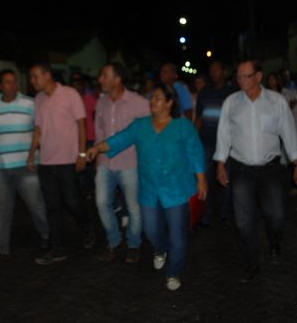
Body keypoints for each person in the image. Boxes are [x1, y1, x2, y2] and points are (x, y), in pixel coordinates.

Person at [86, 83, 207, 291]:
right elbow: (120, 139)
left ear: (170, 103)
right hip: (149, 188)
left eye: (158, 98)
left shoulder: (182, 126)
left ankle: (173, 271)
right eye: (152, 98)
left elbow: (195, 152)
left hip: (176, 188)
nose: (152, 101)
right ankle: (160, 249)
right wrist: (97, 148)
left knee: (177, 235)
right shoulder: (140, 125)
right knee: (150, 230)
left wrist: (201, 179)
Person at [214, 59, 297, 282]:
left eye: (246, 76)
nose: (241, 80)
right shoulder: (231, 103)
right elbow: (224, 134)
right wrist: (220, 164)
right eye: (238, 76)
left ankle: (274, 242)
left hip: (271, 169)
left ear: (258, 76)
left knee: (277, 216)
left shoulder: (276, 101)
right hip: (241, 169)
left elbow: (289, 132)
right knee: (243, 222)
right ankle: (251, 262)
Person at [0, 69, 50, 262]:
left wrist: (37, 154)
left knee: (36, 205)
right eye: (8, 82)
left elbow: (40, 130)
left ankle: (47, 236)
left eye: (14, 82)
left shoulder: (29, 103)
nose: (13, 86)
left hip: (27, 165)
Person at [28, 63, 94, 265]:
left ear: (47, 75)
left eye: (35, 76)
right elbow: (38, 129)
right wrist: (31, 154)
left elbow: (81, 125)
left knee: (72, 201)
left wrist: (81, 154)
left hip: (67, 160)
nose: (32, 81)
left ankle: (86, 226)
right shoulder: (38, 99)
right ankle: (57, 248)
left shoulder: (69, 94)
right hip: (47, 162)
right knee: (52, 207)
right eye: (31, 77)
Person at [93, 62, 150, 263]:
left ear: (117, 79)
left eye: (104, 75)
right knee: (101, 203)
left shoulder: (139, 103)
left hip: (130, 164)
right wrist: (97, 158)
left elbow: (150, 130)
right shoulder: (101, 102)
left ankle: (134, 244)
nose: (100, 79)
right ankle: (114, 241)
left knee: (134, 207)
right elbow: (99, 132)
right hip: (105, 163)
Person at [194, 59, 236, 227]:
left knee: (226, 179)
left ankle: (225, 213)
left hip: (226, 144)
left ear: (224, 72)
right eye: (211, 70)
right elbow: (198, 118)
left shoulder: (232, 93)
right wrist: (194, 139)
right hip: (206, 141)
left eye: (217, 69)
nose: (213, 73)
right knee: (204, 179)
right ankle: (205, 214)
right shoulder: (204, 92)